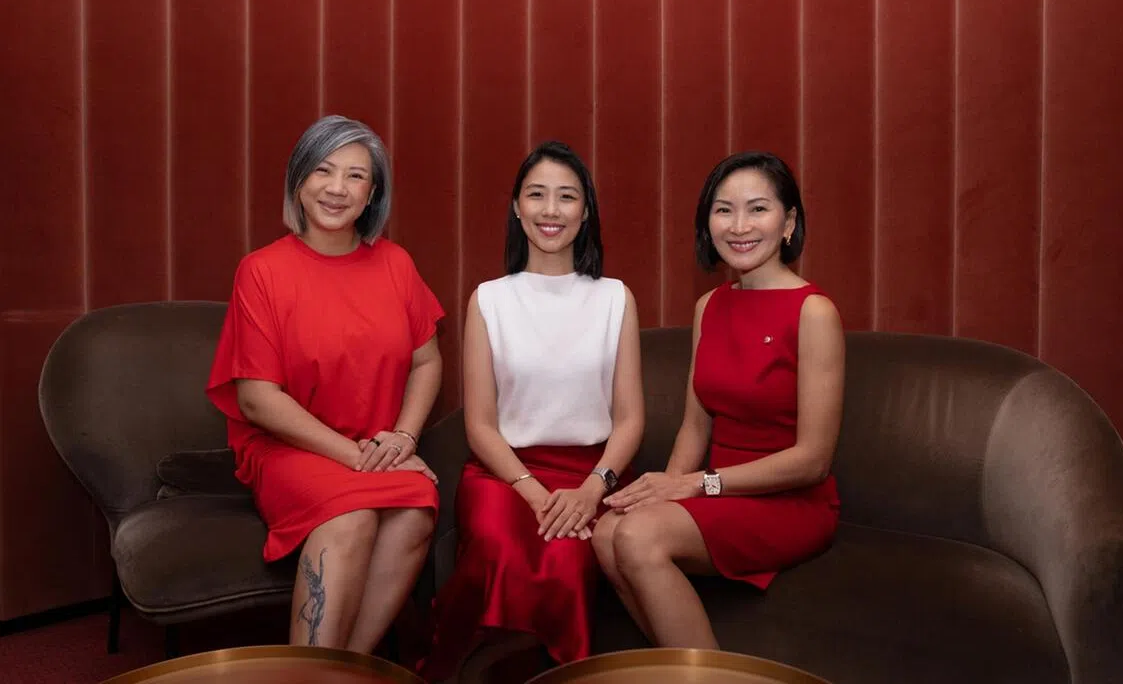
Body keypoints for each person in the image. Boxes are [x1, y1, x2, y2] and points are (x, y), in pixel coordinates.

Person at [206, 115, 443, 652]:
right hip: (288, 448)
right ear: (298, 181)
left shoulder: (396, 265)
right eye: (323, 170)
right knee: (353, 513)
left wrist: (401, 439)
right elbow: (256, 399)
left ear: (372, 193)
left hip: (373, 447)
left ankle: (345, 667)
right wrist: (357, 457)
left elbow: (427, 363)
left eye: (356, 176)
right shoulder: (261, 271)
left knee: (416, 506)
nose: (337, 188)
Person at [592, 151, 844, 649]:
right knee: (606, 534)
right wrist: (665, 484)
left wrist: (695, 485)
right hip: (714, 489)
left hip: (787, 501)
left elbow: (813, 461)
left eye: (758, 208)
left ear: (789, 222)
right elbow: (695, 425)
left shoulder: (814, 312)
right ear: (708, 223)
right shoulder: (711, 306)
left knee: (639, 537)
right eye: (724, 209)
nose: (739, 225)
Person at [421, 141, 644, 680]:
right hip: (505, 474)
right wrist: (532, 491)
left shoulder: (615, 297)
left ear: (586, 211)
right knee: (497, 550)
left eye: (566, 197)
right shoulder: (489, 300)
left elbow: (631, 417)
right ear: (517, 209)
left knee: (564, 564)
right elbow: (479, 423)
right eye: (536, 196)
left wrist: (593, 489)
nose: (551, 210)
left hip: (590, 474)